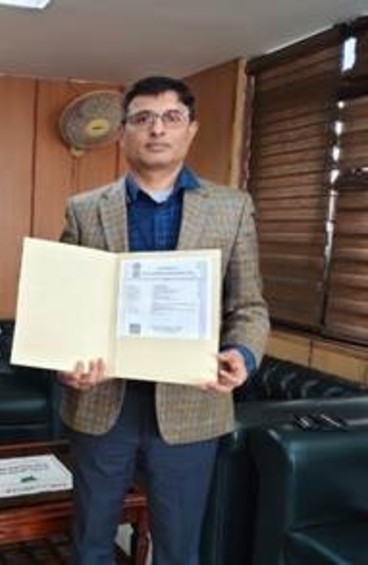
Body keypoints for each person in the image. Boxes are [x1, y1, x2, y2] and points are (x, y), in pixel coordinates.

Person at [57, 76, 269, 565]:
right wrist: (64, 360)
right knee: (90, 544)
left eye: (171, 118)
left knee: (178, 549)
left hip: (191, 404)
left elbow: (250, 306)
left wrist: (242, 354)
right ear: (122, 133)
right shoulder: (85, 210)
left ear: (190, 130)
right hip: (102, 402)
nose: (157, 129)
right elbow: (67, 302)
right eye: (143, 119)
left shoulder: (232, 208)